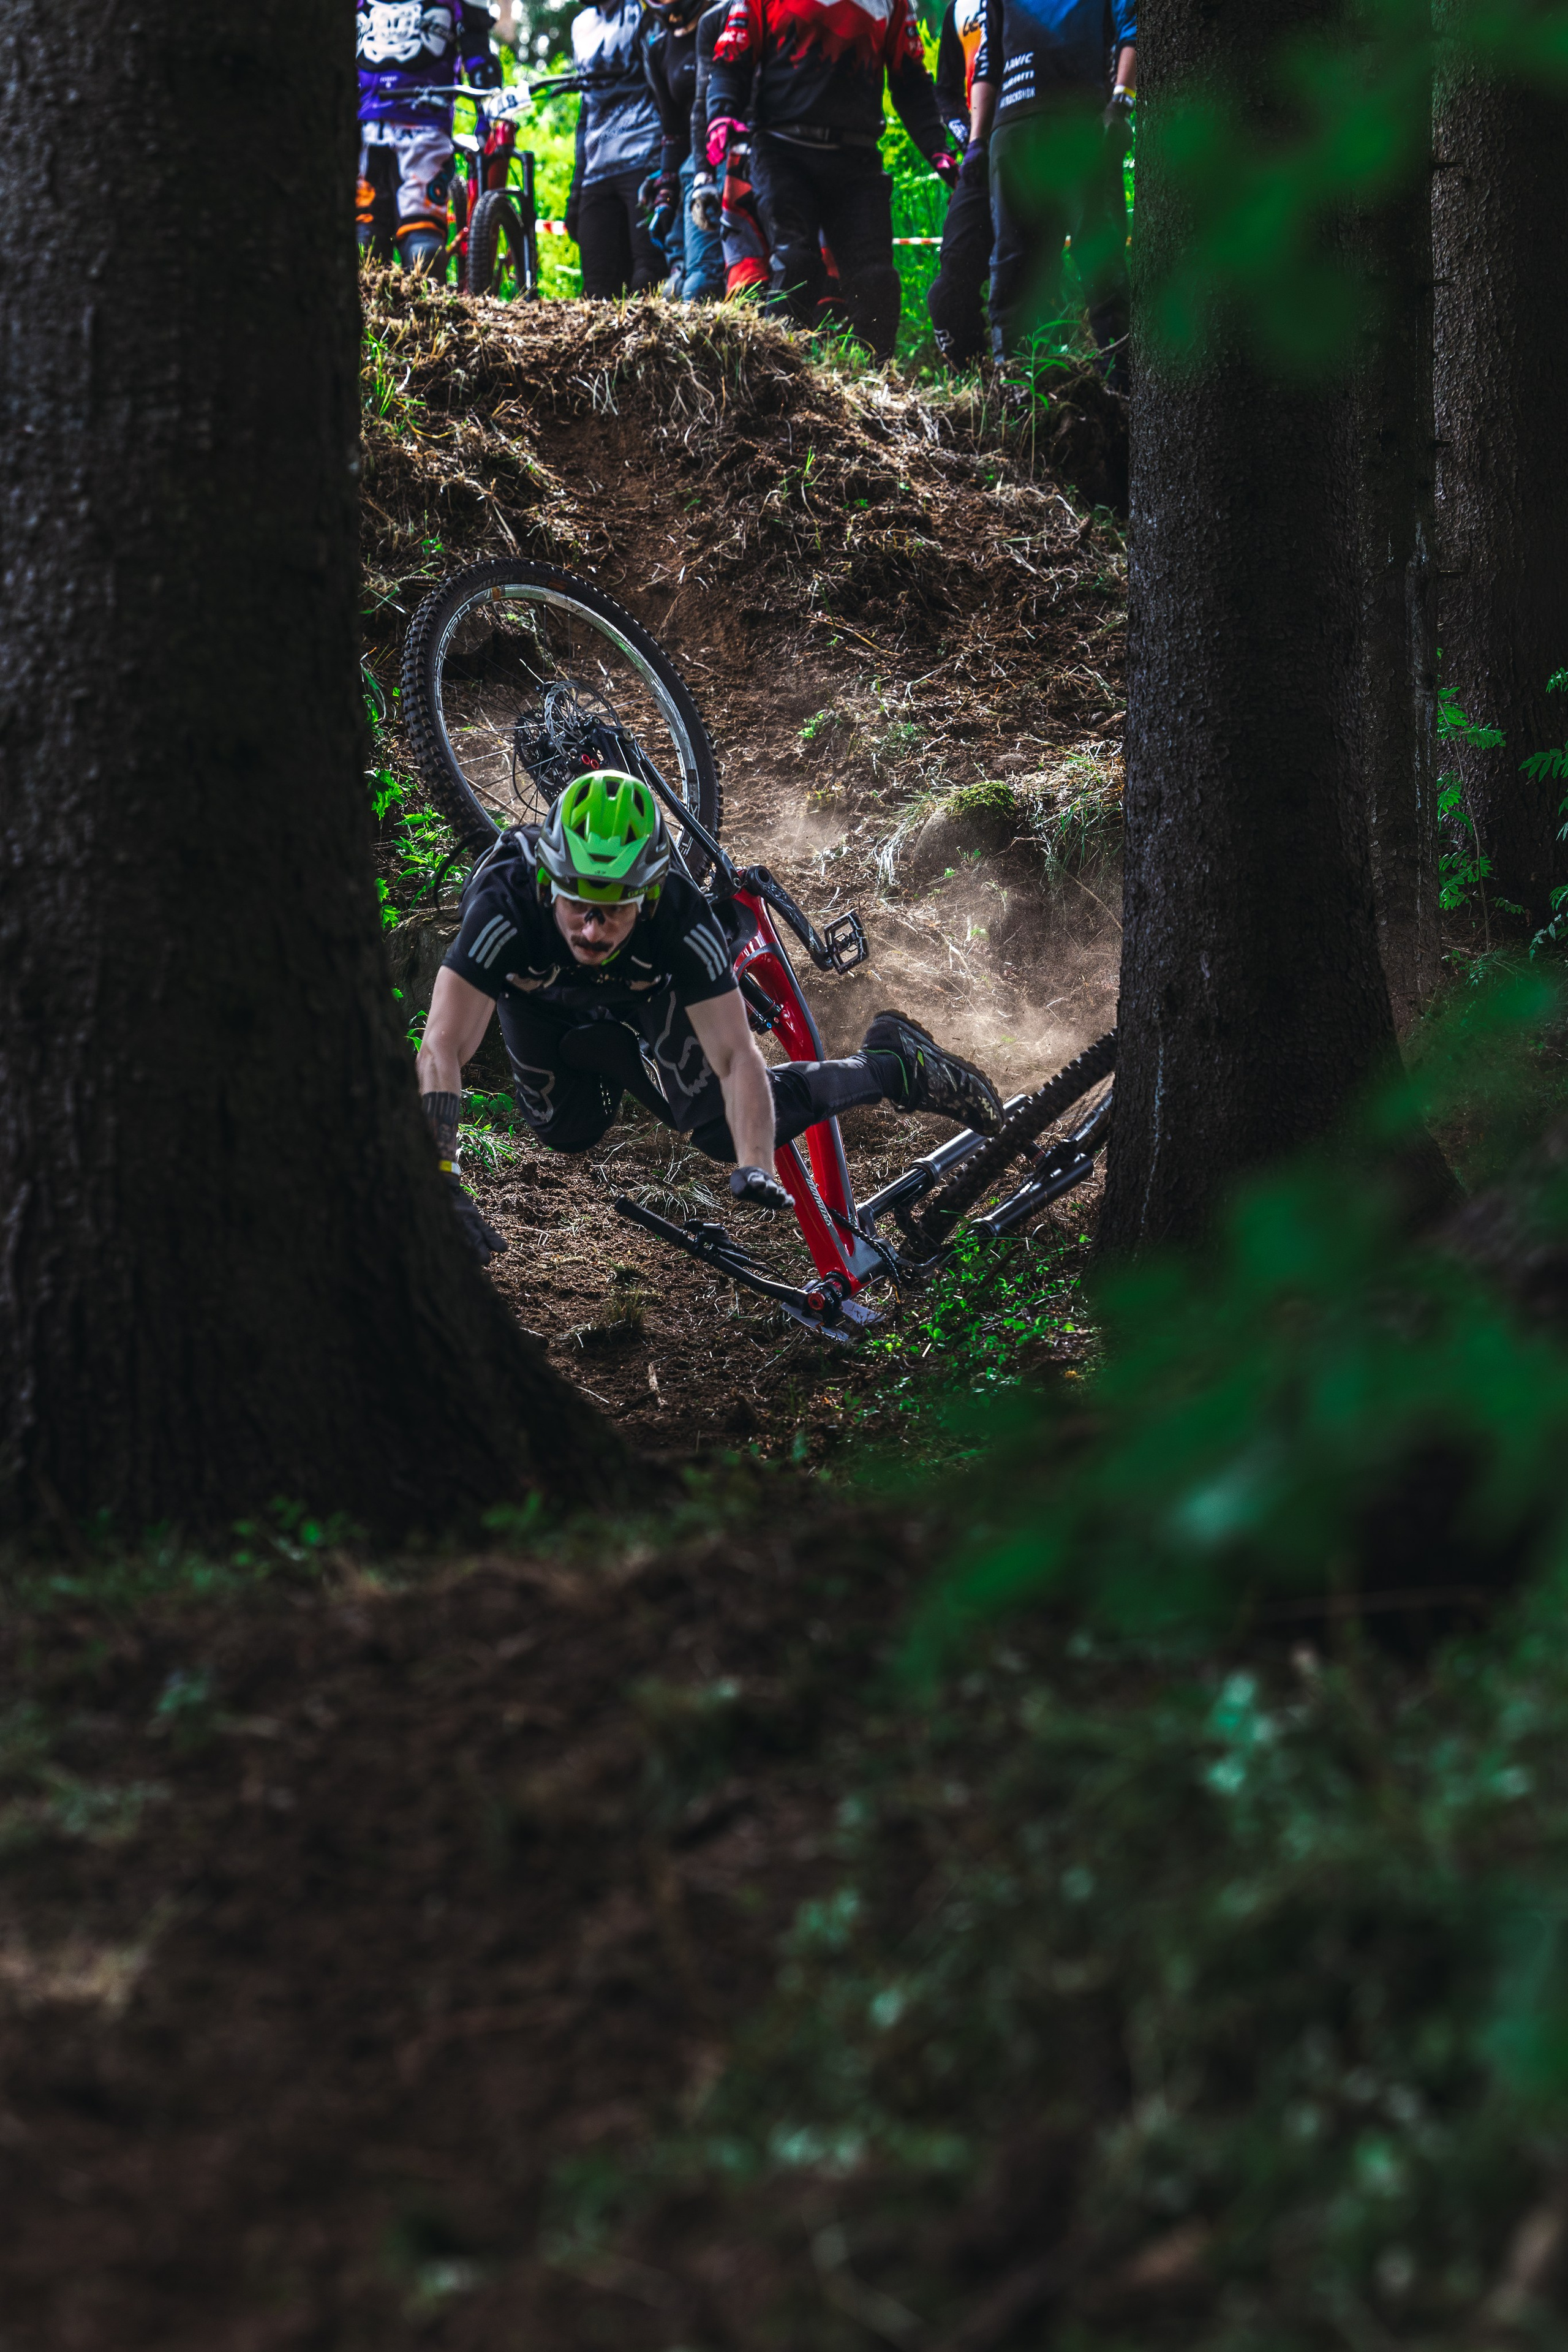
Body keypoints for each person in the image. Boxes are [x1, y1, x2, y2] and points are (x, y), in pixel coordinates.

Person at [415, 772, 1004, 1261]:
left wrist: (751, 1160)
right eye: (578, 902)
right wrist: (438, 1173)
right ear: (548, 882)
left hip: (647, 989)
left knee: (721, 1130)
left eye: (614, 910)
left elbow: (734, 1056)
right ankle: (613, 1048)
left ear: (647, 897)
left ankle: (888, 1063)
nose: (591, 929)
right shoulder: (505, 905)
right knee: (567, 1130)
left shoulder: (677, 915)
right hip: (543, 1001)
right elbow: (443, 1043)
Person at [704, 0, 960, 361]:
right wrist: (721, 115)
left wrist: (937, 149)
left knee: (876, 280)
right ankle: (773, 379)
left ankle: (874, 386)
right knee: (796, 264)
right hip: (783, 151)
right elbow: (732, 58)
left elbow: (911, 80)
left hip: (856, 161)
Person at [972, 0, 1134, 384]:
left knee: (1101, 256)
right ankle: (1018, 390)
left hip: (1083, 123)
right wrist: (978, 142)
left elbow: (1133, 31)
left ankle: (1123, 388)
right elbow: (988, 58)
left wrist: (1121, 102)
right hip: (1014, 128)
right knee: (1013, 265)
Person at [356, 1, 503, 273]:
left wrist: (487, 123)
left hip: (387, 127)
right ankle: (416, 311)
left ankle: (415, 310)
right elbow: (480, 58)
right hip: (403, 128)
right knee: (390, 239)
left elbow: (479, 57)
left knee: (391, 240)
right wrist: (486, 122)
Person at [564, 0, 666, 296]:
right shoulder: (581, 25)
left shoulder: (644, 11)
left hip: (645, 158)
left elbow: (666, 81)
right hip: (597, 170)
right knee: (597, 288)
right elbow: (586, 112)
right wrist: (577, 189)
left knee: (648, 277)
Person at [641, 0, 725, 298]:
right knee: (677, 287)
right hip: (693, 167)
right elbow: (673, 129)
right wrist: (666, 186)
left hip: (733, 153)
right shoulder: (658, 48)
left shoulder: (723, 18)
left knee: (704, 279)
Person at [926, 0, 993, 368]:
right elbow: (944, 90)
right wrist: (968, 137)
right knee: (947, 296)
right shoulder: (958, 8)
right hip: (980, 157)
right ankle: (979, 380)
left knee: (1019, 284)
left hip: (1042, 149)